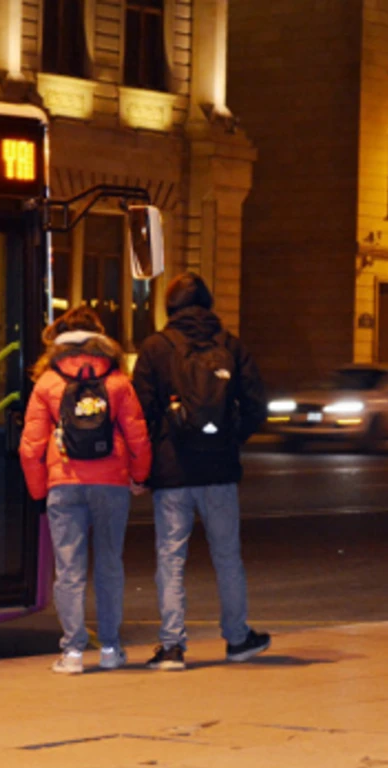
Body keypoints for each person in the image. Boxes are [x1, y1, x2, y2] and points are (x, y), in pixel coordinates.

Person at [132, 272, 270, 670]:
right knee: (228, 556)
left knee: (170, 558)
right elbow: (257, 405)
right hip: (220, 470)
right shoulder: (230, 345)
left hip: (173, 470)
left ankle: (173, 647)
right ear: (208, 305)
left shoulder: (157, 347)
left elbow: (140, 410)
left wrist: (151, 457)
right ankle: (238, 638)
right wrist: (230, 438)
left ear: (169, 308)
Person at [19, 306, 152, 675]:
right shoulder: (117, 379)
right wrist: (139, 476)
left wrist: (38, 491)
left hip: (64, 483)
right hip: (111, 483)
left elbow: (30, 444)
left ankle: (73, 652)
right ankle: (110, 648)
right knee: (110, 564)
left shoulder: (47, 382)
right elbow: (137, 435)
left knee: (69, 568)